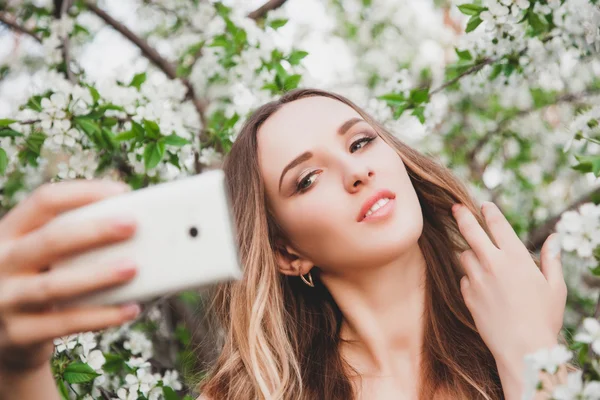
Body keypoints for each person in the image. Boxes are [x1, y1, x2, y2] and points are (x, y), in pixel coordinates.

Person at [0, 88, 567, 400]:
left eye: (362, 141)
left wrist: (533, 359)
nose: (355, 171)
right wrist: (18, 369)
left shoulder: (515, 336)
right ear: (286, 253)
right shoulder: (254, 396)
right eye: (307, 178)